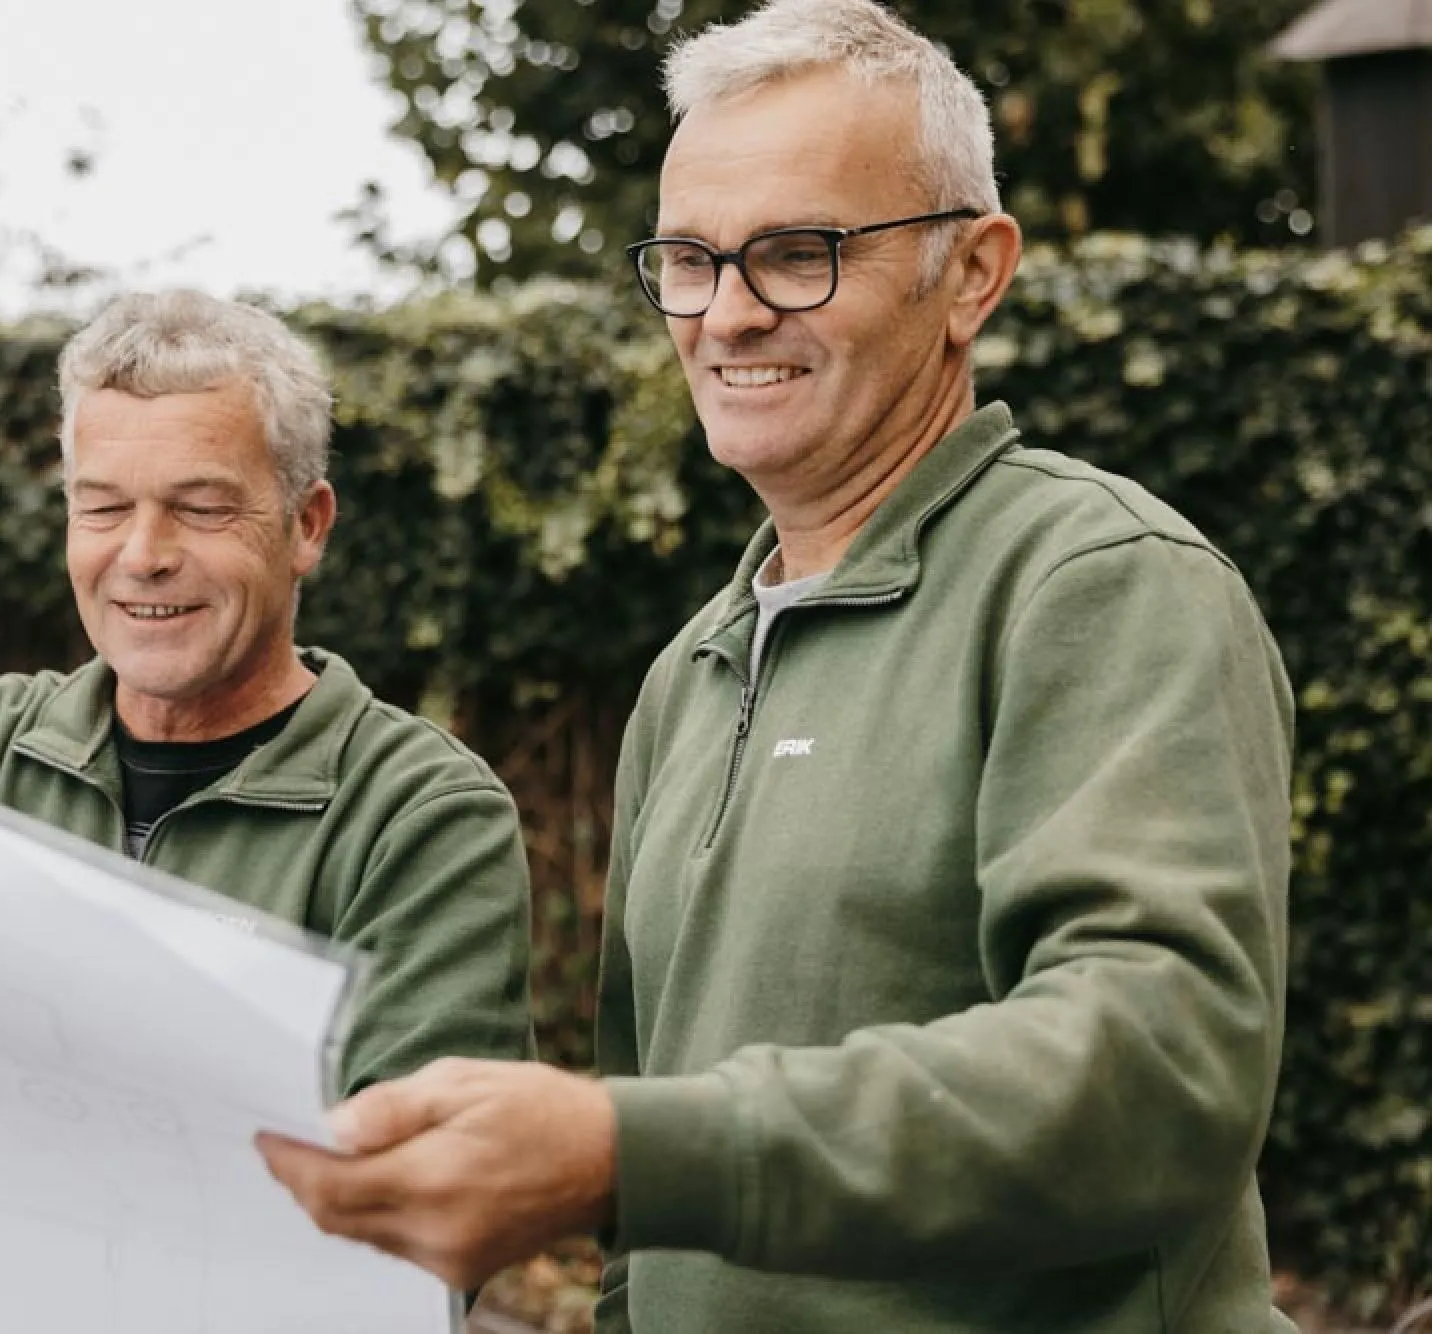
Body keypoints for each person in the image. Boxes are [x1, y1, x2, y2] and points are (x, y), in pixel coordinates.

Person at [258, 1, 1298, 1330]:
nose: (729, 315)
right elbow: (654, 1224)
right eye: (689, 260)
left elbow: (1157, 1075)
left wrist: (632, 1150)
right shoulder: (691, 667)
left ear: (973, 272)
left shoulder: (1098, 581)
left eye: (798, 254)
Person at [0, 289, 534, 1097]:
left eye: (200, 509)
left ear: (306, 525)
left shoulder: (418, 818)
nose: (143, 556)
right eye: (102, 507)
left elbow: (427, 1183)